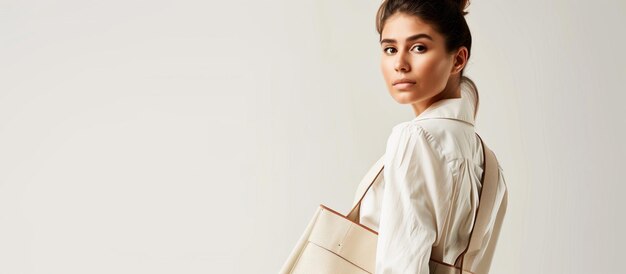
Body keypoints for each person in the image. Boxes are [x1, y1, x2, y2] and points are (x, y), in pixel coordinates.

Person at [356, 0, 509, 273]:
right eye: (390, 49)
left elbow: (401, 266)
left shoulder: (415, 138)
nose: (400, 64)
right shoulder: (490, 166)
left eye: (418, 48)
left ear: (458, 59)